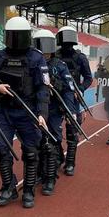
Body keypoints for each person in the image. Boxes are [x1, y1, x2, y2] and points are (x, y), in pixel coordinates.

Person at [0, 16, 50, 208]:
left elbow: (42, 88)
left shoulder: (36, 57)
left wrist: (42, 113)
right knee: (1, 149)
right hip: (4, 111)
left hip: (28, 111)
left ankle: (29, 190)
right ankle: (9, 186)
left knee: (31, 152)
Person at [33, 29, 76, 194]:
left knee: (50, 142)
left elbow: (68, 90)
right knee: (35, 143)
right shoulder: (31, 63)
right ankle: (38, 172)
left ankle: (49, 178)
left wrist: (70, 110)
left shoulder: (59, 65)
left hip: (53, 110)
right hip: (35, 109)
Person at [55, 26, 92, 174]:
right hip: (55, 98)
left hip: (73, 98)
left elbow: (88, 78)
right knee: (53, 131)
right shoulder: (54, 56)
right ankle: (58, 156)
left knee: (72, 131)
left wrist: (81, 89)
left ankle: (70, 163)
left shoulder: (80, 57)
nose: (67, 45)